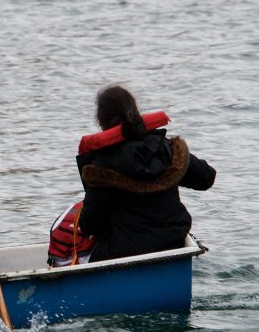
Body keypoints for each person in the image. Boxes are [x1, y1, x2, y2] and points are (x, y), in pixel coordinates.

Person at [75, 85, 216, 262]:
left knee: (71, 255)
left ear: (101, 121)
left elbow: (90, 225)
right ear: (135, 112)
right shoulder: (167, 149)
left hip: (123, 252)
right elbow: (207, 177)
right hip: (173, 242)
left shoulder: (101, 166)